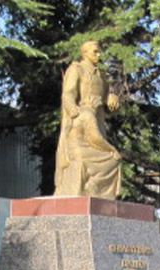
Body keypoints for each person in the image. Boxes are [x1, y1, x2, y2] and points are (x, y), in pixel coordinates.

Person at [54, 40, 122, 199]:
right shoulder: (76, 69)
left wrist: (111, 98)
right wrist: (75, 112)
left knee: (113, 161)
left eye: (99, 51)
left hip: (96, 123)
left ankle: (96, 191)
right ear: (84, 53)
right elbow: (68, 94)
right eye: (95, 52)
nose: (99, 55)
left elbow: (106, 98)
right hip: (80, 123)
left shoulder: (102, 75)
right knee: (82, 161)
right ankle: (85, 190)